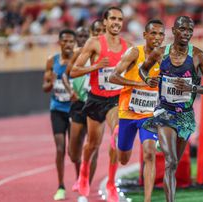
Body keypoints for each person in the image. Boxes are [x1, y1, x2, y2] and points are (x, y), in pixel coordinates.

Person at [139, 16, 203, 202]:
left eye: (190, 30)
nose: (186, 33)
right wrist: (148, 79)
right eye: (182, 29)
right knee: (170, 161)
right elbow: (143, 69)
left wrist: (192, 88)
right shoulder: (160, 53)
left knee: (174, 164)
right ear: (173, 31)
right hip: (165, 112)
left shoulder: (198, 56)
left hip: (186, 117)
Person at [70, 7, 131, 201]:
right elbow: (74, 71)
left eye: (119, 19)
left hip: (116, 100)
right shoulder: (94, 43)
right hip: (96, 99)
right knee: (92, 144)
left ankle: (112, 182)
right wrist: (96, 66)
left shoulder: (128, 47)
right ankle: (84, 172)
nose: (116, 22)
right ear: (104, 22)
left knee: (117, 133)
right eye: (112, 18)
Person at [109, 19, 165, 202]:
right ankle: (118, 134)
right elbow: (113, 77)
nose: (157, 37)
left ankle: (147, 199)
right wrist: (138, 83)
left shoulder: (165, 58)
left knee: (149, 153)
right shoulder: (134, 53)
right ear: (145, 35)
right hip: (127, 112)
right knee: (123, 158)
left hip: (149, 113)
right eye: (153, 33)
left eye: (161, 34)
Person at [62, 20, 105, 193]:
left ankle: (85, 184)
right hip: (79, 104)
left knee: (93, 146)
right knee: (73, 153)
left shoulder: (104, 53)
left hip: (96, 102)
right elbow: (66, 75)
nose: (81, 39)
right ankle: (81, 173)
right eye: (79, 36)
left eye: (84, 36)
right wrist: (69, 90)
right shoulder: (78, 52)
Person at [42, 29, 76, 201]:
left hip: (74, 109)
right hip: (57, 109)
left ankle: (79, 182)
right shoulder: (52, 61)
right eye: (65, 41)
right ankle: (61, 185)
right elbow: (45, 88)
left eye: (71, 41)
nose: (68, 44)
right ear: (60, 43)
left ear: (74, 43)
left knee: (74, 151)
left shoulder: (78, 59)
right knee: (60, 147)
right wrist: (52, 80)